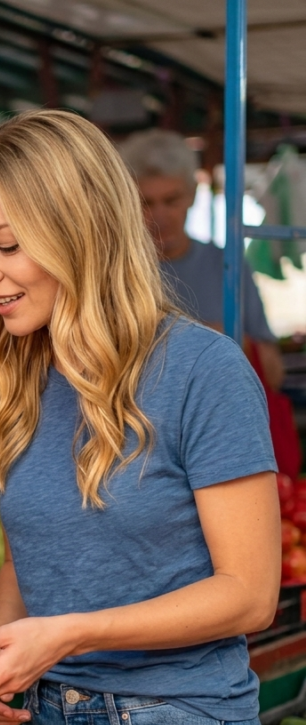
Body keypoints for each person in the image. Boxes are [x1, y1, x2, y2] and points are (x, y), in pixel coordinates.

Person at [0, 110, 279, 725]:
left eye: (6, 244)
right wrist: (3, 652)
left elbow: (249, 593)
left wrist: (73, 631)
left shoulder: (200, 372)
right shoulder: (16, 379)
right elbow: (28, 551)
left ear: (78, 230)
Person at [118, 130, 299, 477]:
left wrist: (208, 339)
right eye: (146, 203)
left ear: (192, 194)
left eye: (172, 200)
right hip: (143, 457)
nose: (160, 215)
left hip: (226, 445)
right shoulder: (114, 274)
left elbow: (271, 373)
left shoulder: (227, 265)